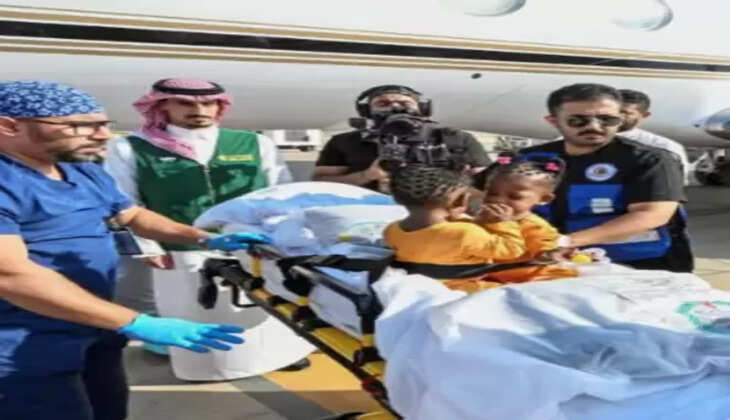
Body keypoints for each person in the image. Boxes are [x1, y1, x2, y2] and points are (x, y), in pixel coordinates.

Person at [0, 80, 269, 420]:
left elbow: (132, 215)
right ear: (9, 126)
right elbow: (10, 275)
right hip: (23, 346)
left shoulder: (80, 170)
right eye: (80, 126)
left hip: (94, 325)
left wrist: (203, 238)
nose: (102, 135)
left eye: (103, 124)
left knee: (109, 409)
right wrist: (136, 321)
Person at [104, 78, 312, 381]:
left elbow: (281, 192)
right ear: (162, 105)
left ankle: (278, 357)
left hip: (251, 244)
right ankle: (208, 368)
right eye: (185, 103)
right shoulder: (130, 147)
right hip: (180, 247)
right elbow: (124, 201)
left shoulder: (254, 143)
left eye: (208, 103)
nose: (199, 110)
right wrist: (147, 247)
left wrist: (285, 237)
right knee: (196, 307)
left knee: (264, 305)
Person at [522, 83, 693, 272]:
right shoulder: (528, 158)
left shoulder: (650, 160)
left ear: (620, 119)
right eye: (578, 121)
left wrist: (566, 242)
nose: (594, 126)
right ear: (553, 121)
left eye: (607, 119)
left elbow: (652, 214)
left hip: (639, 266)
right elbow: (496, 198)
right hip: (547, 263)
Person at [313, 85, 491, 191]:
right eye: (383, 103)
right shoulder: (343, 142)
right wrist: (366, 176)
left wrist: (455, 182)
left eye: (405, 103)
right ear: (367, 111)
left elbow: (487, 184)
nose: (396, 107)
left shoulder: (456, 139)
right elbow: (320, 183)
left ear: (422, 109)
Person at [383, 166, 526, 292]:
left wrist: (476, 222)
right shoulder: (465, 233)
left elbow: (435, 234)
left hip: (424, 284)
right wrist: (504, 223)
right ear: (459, 201)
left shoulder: (391, 230)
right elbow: (512, 250)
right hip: (461, 286)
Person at [480, 153, 578, 283]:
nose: (498, 200)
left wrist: (552, 254)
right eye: (492, 193)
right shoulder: (482, 217)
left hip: (529, 278)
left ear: (544, 199)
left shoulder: (535, 226)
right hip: (489, 276)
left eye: (515, 197)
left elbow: (545, 249)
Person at [618, 89, 692, 185]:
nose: (617, 116)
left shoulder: (665, 147)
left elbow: (674, 185)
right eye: (613, 111)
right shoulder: (598, 141)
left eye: (625, 113)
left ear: (644, 115)